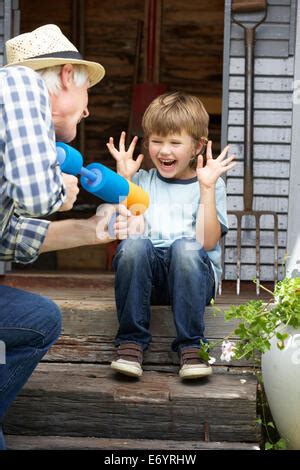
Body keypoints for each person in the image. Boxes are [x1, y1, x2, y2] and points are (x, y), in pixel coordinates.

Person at [0, 24, 126, 450]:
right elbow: (37, 197)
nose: (87, 110)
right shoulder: (19, 83)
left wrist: (95, 230)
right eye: (88, 92)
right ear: (67, 75)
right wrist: (60, 190)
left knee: (38, 319)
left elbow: (12, 238)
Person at [106, 91, 236, 380]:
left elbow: (208, 242)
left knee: (186, 248)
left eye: (175, 142)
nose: (164, 151)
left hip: (193, 277)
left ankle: (191, 347)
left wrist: (206, 188)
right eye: (156, 141)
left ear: (197, 146)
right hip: (149, 281)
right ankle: (130, 343)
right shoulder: (140, 182)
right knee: (134, 246)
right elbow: (129, 235)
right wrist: (125, 180)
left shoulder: (211, 185)